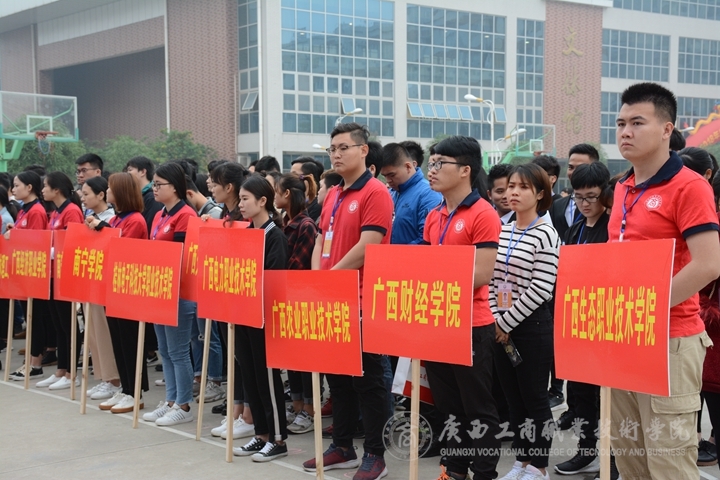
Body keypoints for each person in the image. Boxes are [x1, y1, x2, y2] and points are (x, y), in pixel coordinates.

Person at [609, 82, 720, 480]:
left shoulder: (689, 186)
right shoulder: (622, 186)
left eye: (638, 122)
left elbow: (708, 264)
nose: (626, 131)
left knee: (669, 461)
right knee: (630, 456)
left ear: (666, 129)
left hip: (670, 339)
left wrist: (646, 306)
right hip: (624, 336)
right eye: (620, 123)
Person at [302, 123, 393, 480]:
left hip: (361, 300)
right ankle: (342, 446)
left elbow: (369, 245)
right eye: (332, 149)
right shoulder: (334, 193)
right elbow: (321, 239)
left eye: (344, 148)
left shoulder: (375, 192)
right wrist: (318, 279)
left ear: (363, 150)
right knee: (337, 380)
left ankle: (375, 454)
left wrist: (332, 278)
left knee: (368, 382)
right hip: (331, 298)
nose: (336, 154)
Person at [422, 135, 502, 480]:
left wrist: (433, 284)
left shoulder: (483, 213)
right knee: (448, 406)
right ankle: (454, 469)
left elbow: (481, 274)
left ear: (465, 170)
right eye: (431, 163)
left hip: (471, 324)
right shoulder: (434, 215)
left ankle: (484, 473)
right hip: (439, 322)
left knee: (478, 408)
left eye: (440, 163)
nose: (432, 169)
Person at [490, 163, 560, 480]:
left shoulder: (546, 233)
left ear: (540, 194)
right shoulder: (502, 229)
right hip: (501, 326)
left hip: (532, 327)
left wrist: (506, 323)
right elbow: (491, 279)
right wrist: (496, 318)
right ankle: (521, 460)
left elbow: (542, 288)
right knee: (513, 400)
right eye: (510, 186)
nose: (513, 193)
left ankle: (539, 466)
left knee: (535, 399)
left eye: (523, 187)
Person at [553, 162, 613, 477]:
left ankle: (613, 458)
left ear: (605, 193)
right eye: (578, 197)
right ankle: (586, 450)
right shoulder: (575, 229)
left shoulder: (613, 228)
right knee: (580, 394)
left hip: (605, 321)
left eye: (591, 196)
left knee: (608, 395)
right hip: (576, 321)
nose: (585, 203)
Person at [232, 174, 290, 462]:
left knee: (267, 379)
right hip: (243, 315)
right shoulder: (246, 232)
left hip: (264, 318)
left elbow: (274, 279)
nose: (240, 205)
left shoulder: (274, 236)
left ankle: (278, 438)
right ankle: (261, 434)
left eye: (245, 199)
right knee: (250, 377)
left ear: (263, 201)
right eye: (240, 199)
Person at [85, 173, 150, 413]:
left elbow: (123, 250)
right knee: (119, 341)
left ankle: (135, 392)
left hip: (128, 290)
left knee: (130, 342)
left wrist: (103, 229)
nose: (108, 192)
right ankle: (125, 388)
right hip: (112, 288)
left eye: (111, 189)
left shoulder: (135, 220)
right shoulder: (117, 219)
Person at [141, 163, 198, 427]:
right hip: (159, 291)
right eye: (153, 184)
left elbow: (182, 255)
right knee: (164, 349)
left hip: (179, 293)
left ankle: (184, 405)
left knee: (178, 351)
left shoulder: (185, 215)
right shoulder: (159, 215)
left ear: (174, 187)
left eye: (159, 184)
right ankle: (171, 399)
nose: (154, 189)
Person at [206, 161, 256, 441]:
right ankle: (236, 411)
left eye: (215, 182)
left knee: (244, 359)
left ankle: (248, 415)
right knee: (233, 357)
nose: (210, 186)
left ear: (229, 187)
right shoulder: (225, 215)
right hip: (225, 293)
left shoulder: (245, 217)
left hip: (242, 295)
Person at [273, 172, 319, 434]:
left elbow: (297, 265)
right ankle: (298, 405)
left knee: (305, 360)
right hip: (285, 299)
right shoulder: (284, 222)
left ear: (287, 194)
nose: (274, 196)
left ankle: (309, 411)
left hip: (301, 299)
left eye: (276, 191)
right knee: (292, 359)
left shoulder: (306, 225)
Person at [34, 172, 85, 390]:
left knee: (68, 325)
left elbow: (73, 242)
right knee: (59, 326)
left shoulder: (71, 211)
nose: (42, 190)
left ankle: (71, 372)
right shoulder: (56, 212)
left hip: (66, 276)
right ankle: (61, 370)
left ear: (57, 189)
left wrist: (51, 251)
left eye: (45, 186)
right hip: (53, 275)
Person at [79, 176, 122, 401]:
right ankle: (104, 377)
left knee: (104, 333)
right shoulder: (89, 218)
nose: (83, 198)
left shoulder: (111, 219)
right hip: (91, 280)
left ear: (101, 195)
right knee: (93, 333)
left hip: (106, 284)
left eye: (86, 194)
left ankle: (114, 379)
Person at [7, 172, 50, 381]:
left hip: (34, 274)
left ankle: (35, 363)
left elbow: (37, 243)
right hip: (23, 273)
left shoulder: (37, 211)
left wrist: (15, 236)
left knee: (35, 318)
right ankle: (31, 361)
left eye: (17, 185)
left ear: (29, 187)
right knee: (29, 317)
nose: (13, 189)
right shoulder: (24, 210)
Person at [380, 143, 441, 245]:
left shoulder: (429, 193)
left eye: (392, 175)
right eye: (384, 176)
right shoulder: (390, 193)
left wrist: (398, 253)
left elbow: (426, 239)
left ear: (408, 167)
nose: (388, 180)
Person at [125, 156, 163, 236]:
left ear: (142, 172)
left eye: (130, 170)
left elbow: (150, 229)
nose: (127, 174)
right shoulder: (136, 197)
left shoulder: (152, 197)